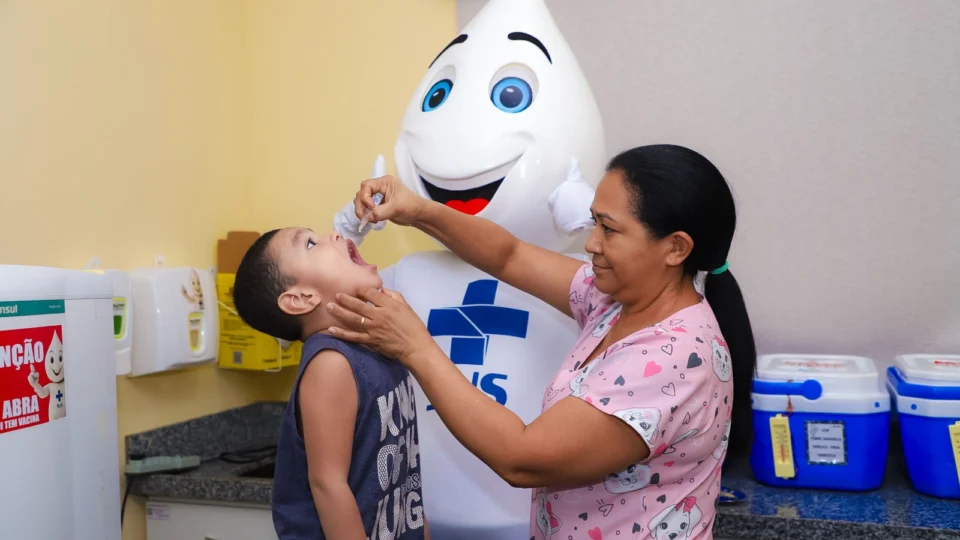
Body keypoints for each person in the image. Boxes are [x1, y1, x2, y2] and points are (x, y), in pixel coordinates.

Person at [325, 144, 756, 539]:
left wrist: (413, 345)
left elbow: (521, 457)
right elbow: (508, 255)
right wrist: (418, 210)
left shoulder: (673, 359)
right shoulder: (615, 300)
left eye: (609, 229)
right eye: (593, 222)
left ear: (676, 248)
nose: (590, 243)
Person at [232, 228, 429, 540]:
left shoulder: (381, 347)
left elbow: (405, 482)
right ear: (300, 299)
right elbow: (328, 486)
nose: (334, 234)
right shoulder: (331, 364)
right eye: (310, 243)